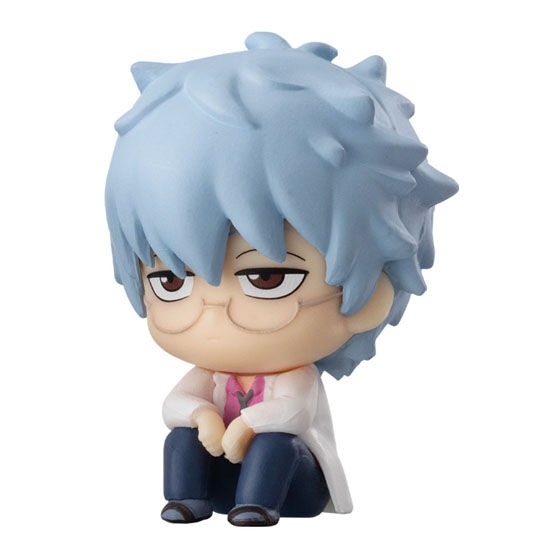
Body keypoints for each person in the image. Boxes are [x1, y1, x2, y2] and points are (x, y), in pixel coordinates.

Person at [105, 32, 458, 526]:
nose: (213, 308)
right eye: (171, 280)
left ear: (371, 296)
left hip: (290, 483)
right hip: (220, 471)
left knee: (276, 442)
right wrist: (202, 416)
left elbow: (292, 414)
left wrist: (243, 425)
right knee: (181, 436)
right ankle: (186, 499)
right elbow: (174, 405)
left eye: (267, 277)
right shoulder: (211, 377)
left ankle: (258, 506)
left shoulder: (294, 378)